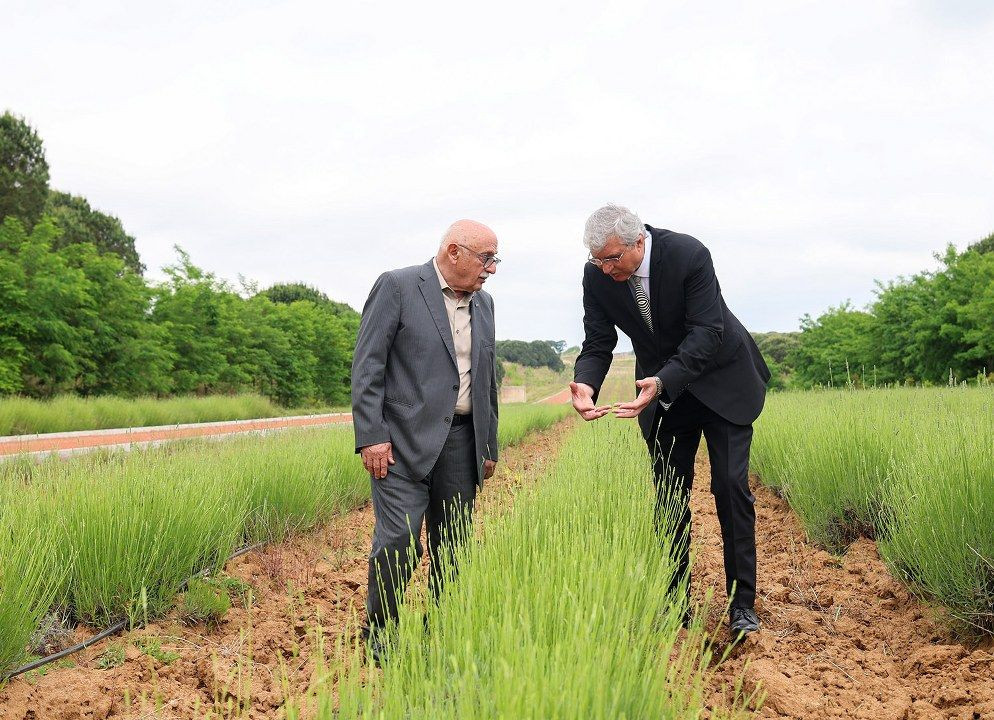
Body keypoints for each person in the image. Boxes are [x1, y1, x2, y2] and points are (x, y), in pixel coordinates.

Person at [570, 204, 770, 638]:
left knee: (730, 487)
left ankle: (742, 606)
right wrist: (585, 383)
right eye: (596, 260)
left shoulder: (688, 254)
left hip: (722, 381)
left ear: (638, 241)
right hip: (662, 391)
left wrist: (663, 380)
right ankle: (675, 599)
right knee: (669, 494)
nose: (604, 269)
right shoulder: (597, 276)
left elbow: (707, 331)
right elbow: (599, 338)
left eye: (612, 258)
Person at [351, 219, 500, 661]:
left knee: (453, 543)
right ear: (454, 252)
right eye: (486, 258)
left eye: (495, 259)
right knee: (397, 539)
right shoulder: (397, 287)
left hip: (460, 444)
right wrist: (371, 436)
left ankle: (442, 632)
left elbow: (486, 377)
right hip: (399, 444)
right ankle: (381, 636)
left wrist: (487, 443)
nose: (492, 268)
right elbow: (368, 367)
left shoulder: (485, 304)